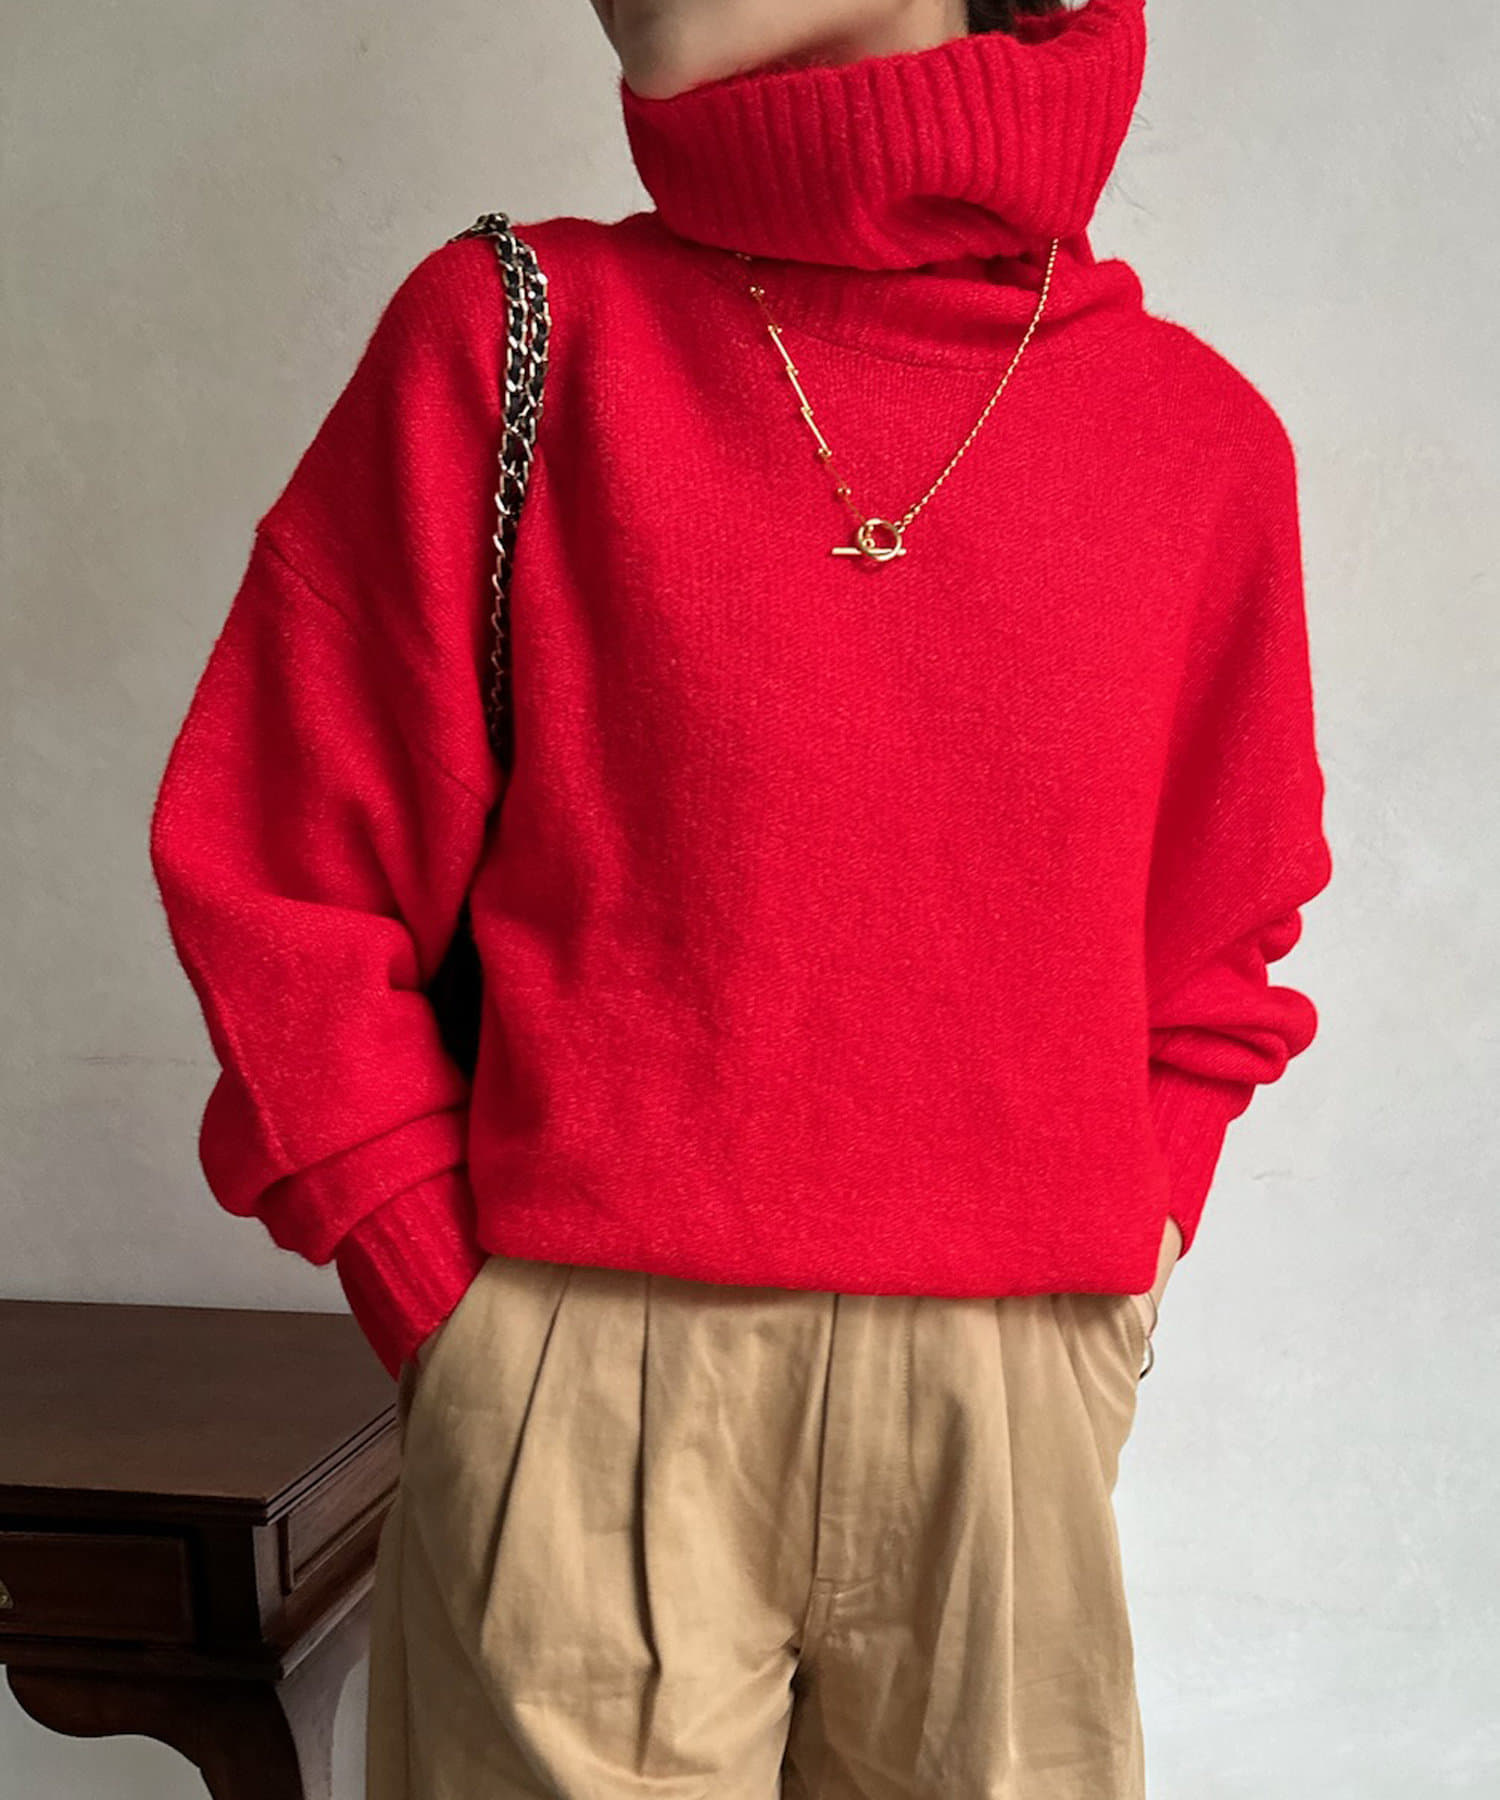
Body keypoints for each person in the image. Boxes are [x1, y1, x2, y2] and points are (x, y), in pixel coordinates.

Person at [147, 0, 1334, 1793]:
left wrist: (1118, 1276)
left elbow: (1218, 947)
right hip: (579, 1372)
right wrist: (458, 1315)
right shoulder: (518, 340)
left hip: (1009, 1406)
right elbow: (282, 865)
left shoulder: (1197, 444)